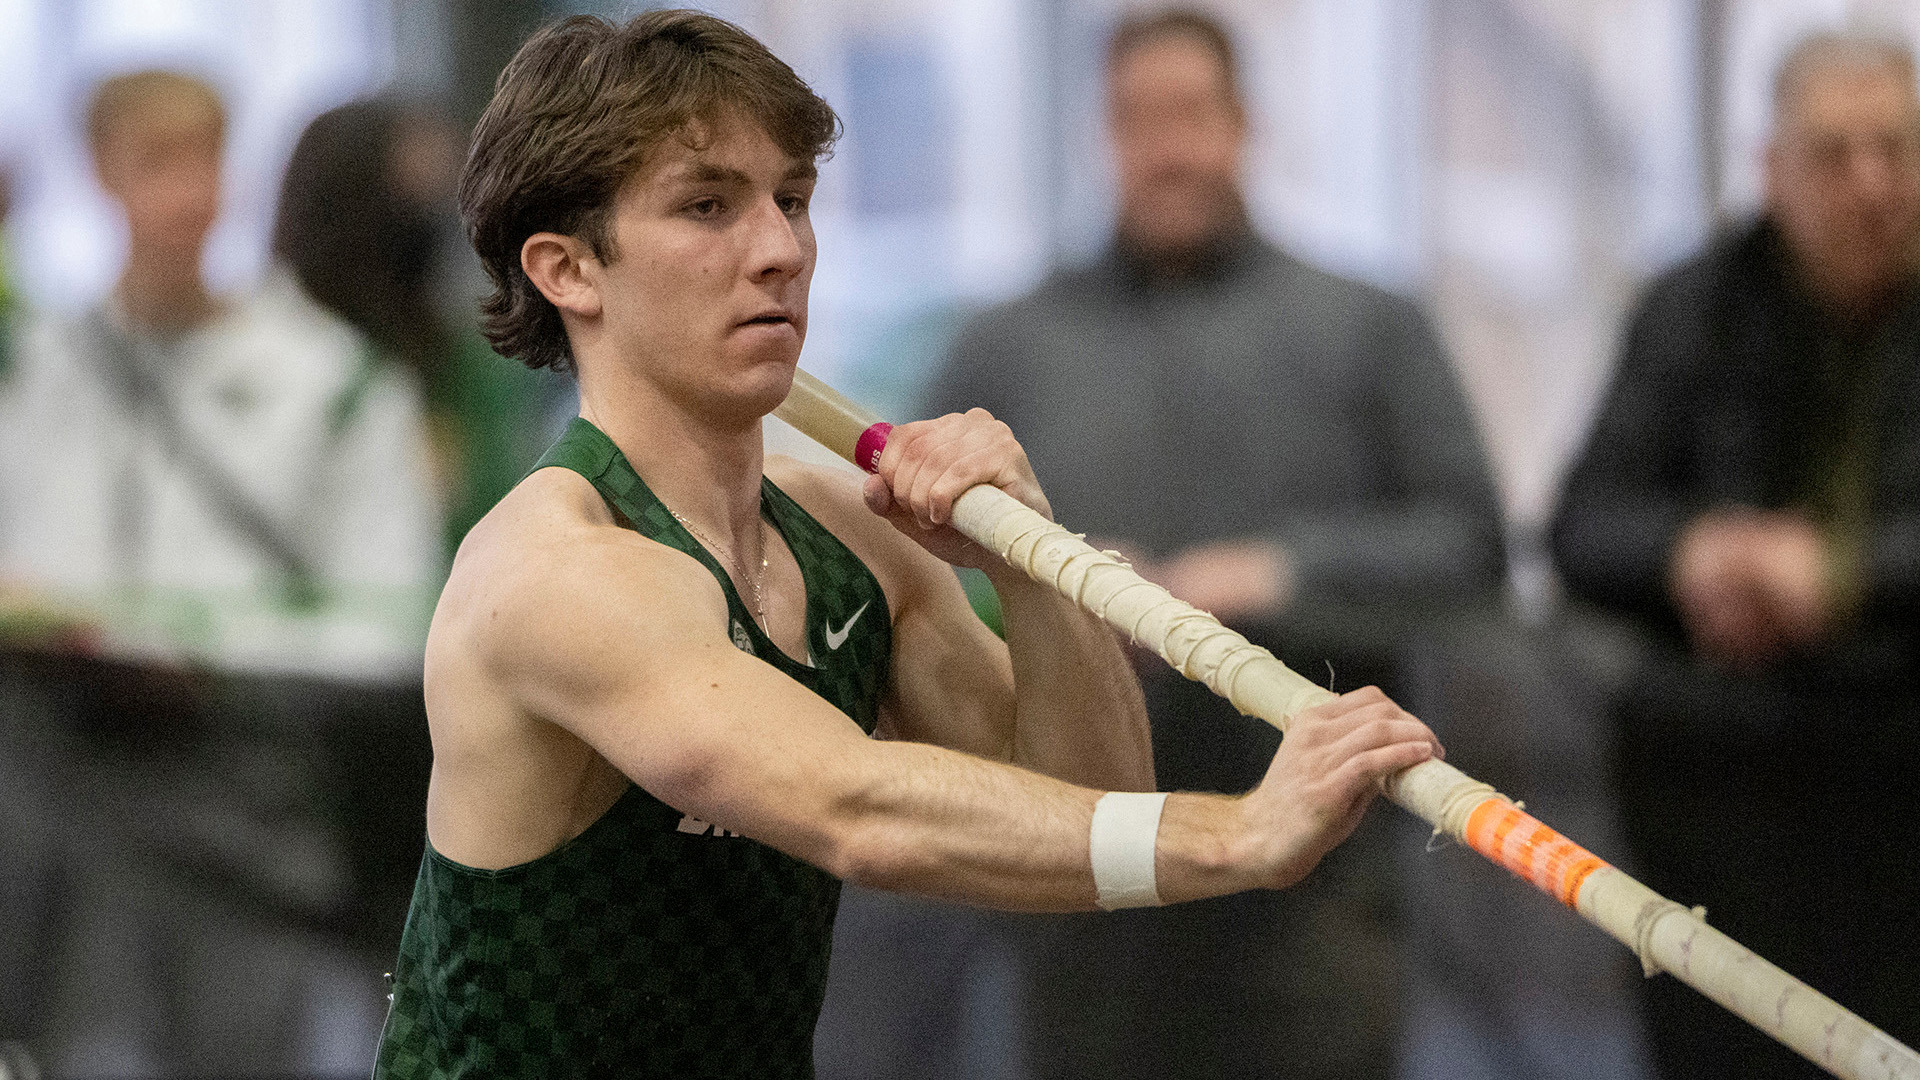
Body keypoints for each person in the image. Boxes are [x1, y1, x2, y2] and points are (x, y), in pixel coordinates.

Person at [371, 11, 1444, 1078]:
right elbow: (858, 811)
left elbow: (1093, 800)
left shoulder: (843, 539)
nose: (781, 249)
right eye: (707, 206)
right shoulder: (558, 570)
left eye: (791, 198)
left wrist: (1032, 568)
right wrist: (1240, 835)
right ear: (567, 270)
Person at [919, 10, 1503, 1078]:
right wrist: (1060, 593)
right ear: (1106, 134)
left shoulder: (1366, 324)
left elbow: (1471, 544)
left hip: (1321, 886)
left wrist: (1268, 577)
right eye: (1138, 119)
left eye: (1190, 115)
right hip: (1084, 877)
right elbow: (910, 566)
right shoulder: (1010, 342)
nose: (1167, 148)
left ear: (1242, 125)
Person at [0, 70, 443, 1075]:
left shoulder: (335, 381)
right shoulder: (34, 373)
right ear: (101, 177)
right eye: (155, 162)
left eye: (205, 159)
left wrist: (201, 659)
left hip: (266, 820)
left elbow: (398, 626)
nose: (186, 194)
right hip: (64, 817)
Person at [1552, 30, 1920, 1080]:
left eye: (1897, 149)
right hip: (1722, 788)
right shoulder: (1694, 306)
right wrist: (1700, 554)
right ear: (1772, 168)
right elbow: (1583, 524)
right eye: (1835, 155)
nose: (1874, 185)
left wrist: (1838, 576)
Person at [274, 98, 562, 560]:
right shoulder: (267, 359)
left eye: (441, 190)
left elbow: (500, 523)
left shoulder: (472, 366)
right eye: (407, 188)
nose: (430, 212)